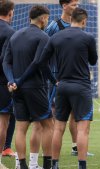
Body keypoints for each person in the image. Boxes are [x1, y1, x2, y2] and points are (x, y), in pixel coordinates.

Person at [20, 7, 97, 169]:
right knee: (83, 129)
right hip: (81, 86)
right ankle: (82, 166)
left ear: (71, 19)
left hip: (62, 86)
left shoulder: (56, 37)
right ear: (84, 20)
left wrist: (54, 80)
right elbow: (93, 60)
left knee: (58, 127)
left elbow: (41, 62)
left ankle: (54, 164)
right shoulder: (88, 37)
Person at [2, 5, 54, 169]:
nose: (47, 21)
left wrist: (12, 81)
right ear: (43, 18)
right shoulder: (43, 37)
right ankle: (46, 164)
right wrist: (53, 80)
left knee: (21, 127)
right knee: (47, 125)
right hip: (35, 87)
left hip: (17, 89)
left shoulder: (15, 35)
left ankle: (22, 165)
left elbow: (6, 61)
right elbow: (39, 62)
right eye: (47, 18)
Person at [45, 0, 91, 157]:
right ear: (64, 6)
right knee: (55, 115)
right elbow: (44, 52)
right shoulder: (53, 27)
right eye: (73, 4)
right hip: (57, 77)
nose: (76, 7)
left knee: (75, 115)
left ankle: (75, 147)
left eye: (78, 4)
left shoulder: (79, 28)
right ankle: (50, 152)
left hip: (74, 78)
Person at [0, 0, 15, 168]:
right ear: (11, 12)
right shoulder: (10, 32)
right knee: (3, 121)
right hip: (2, 82)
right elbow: (6, 60)